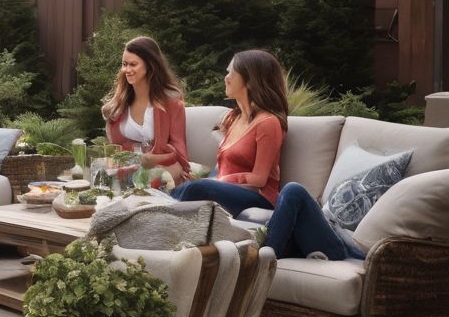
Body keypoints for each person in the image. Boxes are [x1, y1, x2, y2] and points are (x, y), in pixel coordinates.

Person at [171, 49, 288, 216]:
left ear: (250, 80)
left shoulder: (268, 122)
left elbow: (259, 179)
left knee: (196, 188)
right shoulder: (234, 119)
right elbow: (224, 169)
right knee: (177, 187)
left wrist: (216, 182)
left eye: (231, 72)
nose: (226, 77)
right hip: (229, 191)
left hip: (259, 198)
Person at [102, 36, 190, 182]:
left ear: (150, 65)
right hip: (126, 173)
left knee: (153, 177)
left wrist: (153, 159)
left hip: (163, 172)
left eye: (133, 64)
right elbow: (113, 151)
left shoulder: (172, 104)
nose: (127, 70)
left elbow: (179, 152)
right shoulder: (118, 106)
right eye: (124, 64)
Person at [262, 183, 365, 261]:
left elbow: (365, 249)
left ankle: (265, 258)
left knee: (293, 190)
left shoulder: (379, 187)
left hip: (341, 245)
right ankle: (262, 250)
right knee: (252, 220)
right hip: (322, 226)